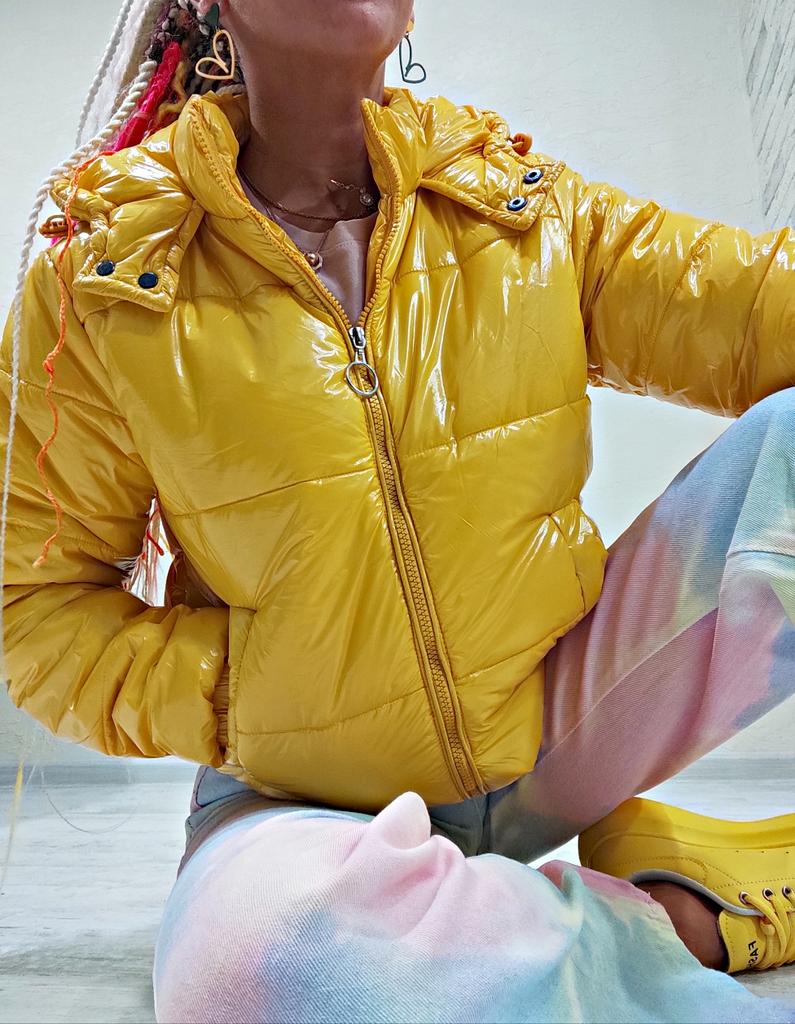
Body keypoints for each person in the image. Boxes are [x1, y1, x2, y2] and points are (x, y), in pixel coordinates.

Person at [1, 1, 794, 1021]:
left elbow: (757, 311)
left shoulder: (520, 209)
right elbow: (34, 605)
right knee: (259, 967)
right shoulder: (108, 281)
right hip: (298, 797)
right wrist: (253, 694)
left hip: (549, 719)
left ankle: (493, 935)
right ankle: (678, 911)